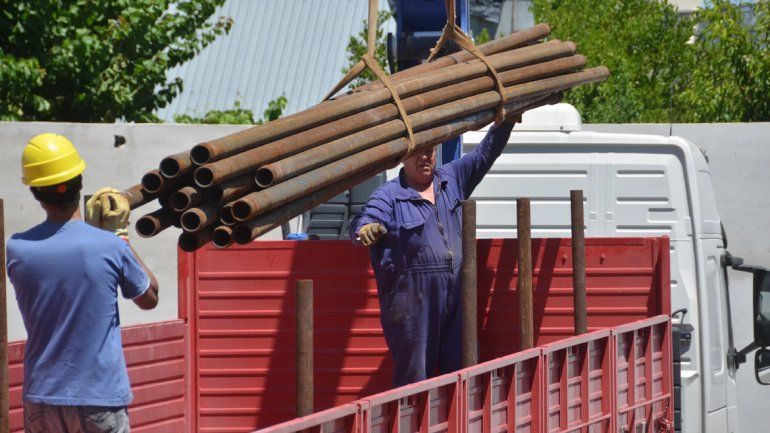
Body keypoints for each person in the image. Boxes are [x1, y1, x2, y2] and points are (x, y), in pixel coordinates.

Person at [6, 133, 159, 433]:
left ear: (36, 192)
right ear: (79, 183)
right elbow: (149, 297)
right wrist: (119, 236)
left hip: (42, 400)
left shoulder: (16, 250)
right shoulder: (109, 246)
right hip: (99, 399)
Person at [351, 117, 519, 386]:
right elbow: (367, 219)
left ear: (437, 151)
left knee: (462, 373)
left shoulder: (451, 180)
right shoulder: (389, 195)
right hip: (413, 306)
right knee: (415, 380)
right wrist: (367, 228)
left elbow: (485, 152)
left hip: (456, 300)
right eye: (417, 152)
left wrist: (506, 122)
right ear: (403, 156)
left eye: (429, 150)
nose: (424, 157)